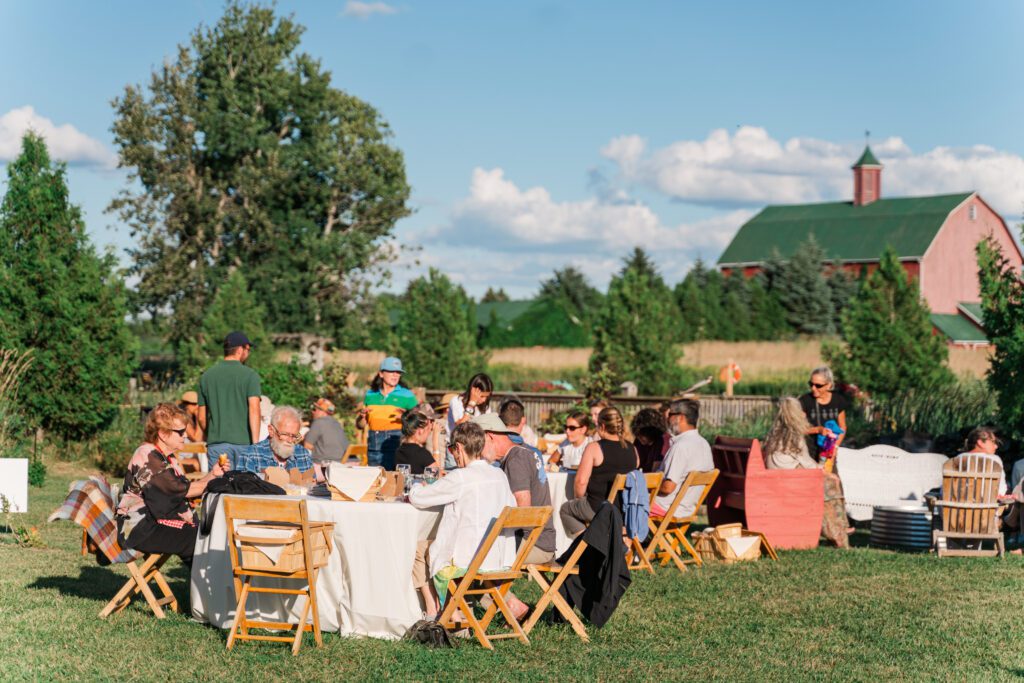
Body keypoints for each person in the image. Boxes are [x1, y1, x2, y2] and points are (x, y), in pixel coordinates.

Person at [408, 422, 517, 612]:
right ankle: (456, 613)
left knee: (418, 547)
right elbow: (514, 510)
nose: (452, 453)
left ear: (458, 448)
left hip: (467, 562)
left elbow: (418, 499)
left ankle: (437, 611)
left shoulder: (460, 477)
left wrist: (418, 485)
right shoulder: (499, 475)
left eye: (451, 449)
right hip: (498, 559)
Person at [115, 403, 224, 568]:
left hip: (153, 521)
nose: (185, 435)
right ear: (163, 434)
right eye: (180, 432)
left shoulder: (166, 457)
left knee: (203, 536)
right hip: (139, 529)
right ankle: (205, 588)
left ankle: (206, 586)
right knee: (196, 539)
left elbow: (184, 486)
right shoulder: (148, 457)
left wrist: (213, 474)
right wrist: (216, 480)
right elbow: (182, 490)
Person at [764, 397, 851, 548]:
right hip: (790, 484)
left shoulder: (775, 433)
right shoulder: (793, 436)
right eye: (800, 411)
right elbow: (809, 465)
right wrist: (825, 469)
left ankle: (836, 529)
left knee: (827, 482)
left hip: (776, 481)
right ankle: (839, 532)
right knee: (831, 483)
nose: (804, 414)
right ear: (796, 414)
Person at [475, 412, 557, 565]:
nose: (477, 452)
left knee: (473, 550)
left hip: (532, 543)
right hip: (538, 539)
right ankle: (495, 589)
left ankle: (494, 590)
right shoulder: (522, 452)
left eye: (478, 444)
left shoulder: (516, 460)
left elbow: (522, 511)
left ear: (489, 436)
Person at [560, 406, 639, 538]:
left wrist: (578, 499)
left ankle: (591, 546)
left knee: (566, 509)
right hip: (626, 510)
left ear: (602, 426)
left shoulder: (594, 448)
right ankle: (606, 542)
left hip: (598, 507)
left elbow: (580, 482)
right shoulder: (633, 449)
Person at [198, 331, 262, 470]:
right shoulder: (250, 376)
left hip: (217, 445)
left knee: (220, 488)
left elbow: (202, 418)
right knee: (245, 489)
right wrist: (255, 445)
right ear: (240, 349)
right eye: (248, 350)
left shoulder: (206, 377)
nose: (248, 354)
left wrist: (215, 433)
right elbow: (254, 410)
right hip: (244, 445)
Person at [651, 399, 713, 519]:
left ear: (680, 418)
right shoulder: (704, 444)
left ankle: (626, 537)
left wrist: (647, 485)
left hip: (667, 508)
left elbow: (668, 487)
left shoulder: (681, 447)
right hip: (687, 508)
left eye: (670, 415)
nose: (667, 419)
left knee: (625, 496)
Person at [357, 357, 418, 470]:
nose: (395, 375)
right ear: (381, 374)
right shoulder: (370, 395)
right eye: (391, 371)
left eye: (398, 372)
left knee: (393, 481)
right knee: (375, 481)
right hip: (373, 447)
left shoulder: (407, 395)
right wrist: (362, 417)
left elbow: (418, 422)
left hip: (397, 446)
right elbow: (360, 426)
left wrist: (405, 417)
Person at [236, 406, 315, 476]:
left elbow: (311, 487)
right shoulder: (252, 455)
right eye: (285, 434)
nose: (290, 440)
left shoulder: (303, 455)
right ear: (271, 430)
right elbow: (243, 488)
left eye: (294, 436)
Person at [799, 366, 849, 460]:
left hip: (830, 450)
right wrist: (817, 430)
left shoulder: (838, 400)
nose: (813, 388)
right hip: (808, 451)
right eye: (811, 384)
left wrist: (835, 447)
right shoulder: (805, 401)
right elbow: (798, 428)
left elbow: (842, 426)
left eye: (818, 385)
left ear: (829, 385)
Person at [950, 426, 1007, 495]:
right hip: (986, 505)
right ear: (980, 443)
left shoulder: (956, 459)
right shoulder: (994, 459)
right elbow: (1001, 490)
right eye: (993, 442)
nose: (996, 446)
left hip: (956, 505)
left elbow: (945, 489)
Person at [303, 398, 350, 465]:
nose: (312, 412)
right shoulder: (336, 423)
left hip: (324, 463)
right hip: (343, 461)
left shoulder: (318, 422)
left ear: (321, 411)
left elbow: (307, 446)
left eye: (314, 409)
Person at [396, 410, 442, 474]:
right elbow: (436, 475)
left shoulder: (399, 451)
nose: (429, 433)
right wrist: (435, 439)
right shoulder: (421, 453)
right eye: (428, 429)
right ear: (420, 431)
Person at [630, 408, 668, 473]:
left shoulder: (660, 442)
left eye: (641, 435)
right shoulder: (638, 442)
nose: (639, 438)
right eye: (637, 435)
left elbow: (655, 472)